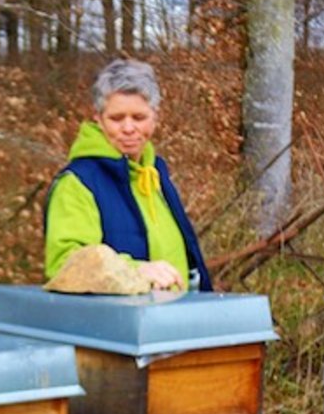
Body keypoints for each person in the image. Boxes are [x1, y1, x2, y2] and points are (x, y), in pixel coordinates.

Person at [44, 59, 213, 292]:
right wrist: (135, 270)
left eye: (139, 117)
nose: (128, 128)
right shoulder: (78, 183)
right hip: (116, 324)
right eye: (116, 118)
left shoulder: (155, 173)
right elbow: (64, 263)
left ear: (155, 116)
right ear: (98, 118)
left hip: (175, 319)